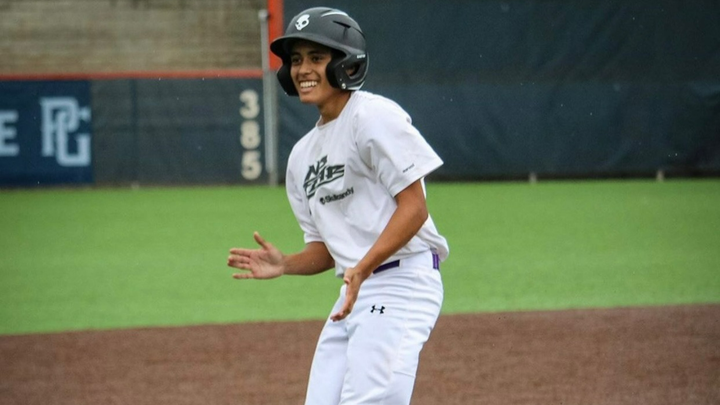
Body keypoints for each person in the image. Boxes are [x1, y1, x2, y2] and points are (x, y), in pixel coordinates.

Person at [227, 7, 449, 405]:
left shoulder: (372, 116)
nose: (303, 69)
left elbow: (414, 208)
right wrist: (285, 264)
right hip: (354, 291)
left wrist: (362, 267)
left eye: (316, 57)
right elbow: (328, 251)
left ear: (346, 63)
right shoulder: (301, 157)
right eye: (296, 60)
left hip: (401, 281)